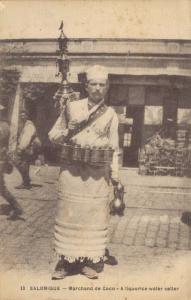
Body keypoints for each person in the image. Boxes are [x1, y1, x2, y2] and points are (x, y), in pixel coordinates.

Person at [49, 65, 120, 280]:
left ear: (106, 87)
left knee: (93, 217)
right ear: (86, 86)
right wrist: (68, 129)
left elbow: (115, 148)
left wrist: (115, 177)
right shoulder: (71, 107)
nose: (97, 88)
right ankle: (65, 262)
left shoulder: (110, 114)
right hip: (71, 171)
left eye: (102, 84)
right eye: (93, 84)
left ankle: (90, 261)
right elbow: (52, 135)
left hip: (98, 174)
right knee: (68, 214)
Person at [0, 104, 23, 219]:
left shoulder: (2, 126)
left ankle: (16, 207)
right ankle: (16, 207)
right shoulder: (4, 125)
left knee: (1, 187)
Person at [14, 110, 37, 189]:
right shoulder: (24, 124)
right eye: (21, 115)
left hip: (27, 148)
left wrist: (21, 148)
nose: (22, 117)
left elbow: (27, 138)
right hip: (25, 148)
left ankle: (26, 182)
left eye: (24, 115)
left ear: (27, 116)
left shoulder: (29, 125)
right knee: (24, 165)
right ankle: (26, 181)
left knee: (22, 164)